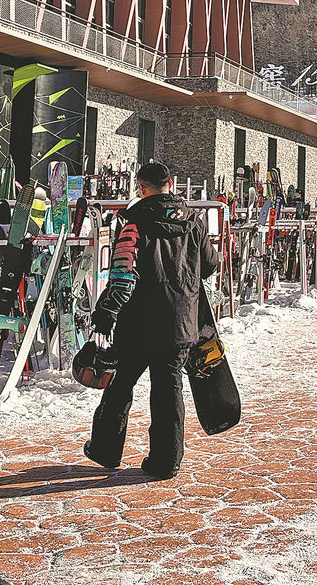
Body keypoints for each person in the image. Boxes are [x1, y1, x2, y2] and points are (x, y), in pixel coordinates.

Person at [83, 162, 219, 479]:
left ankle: (105, 450)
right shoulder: (194, 221)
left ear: (141, 188)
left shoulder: (132, 222)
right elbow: (211, 263)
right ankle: (166, 461)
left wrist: (106, 312)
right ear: (170, 184)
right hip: (181, 324)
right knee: (168, 392)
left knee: (119, 388)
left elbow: (121, 274)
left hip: (138, 324)